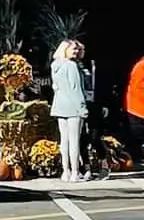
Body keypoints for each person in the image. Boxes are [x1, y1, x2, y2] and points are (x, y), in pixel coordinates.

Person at [50, 40, 88, 182]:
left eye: (77, 49)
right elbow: (76, 88)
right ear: (65, 49)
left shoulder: (55, 65)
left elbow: (55, 86)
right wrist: (82, 107)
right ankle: (75, 172)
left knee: (64, 141)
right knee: (74, 141)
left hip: (60, 105)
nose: (76, 52)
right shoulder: (71, 66)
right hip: (73, 107)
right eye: (73, 49)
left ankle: (65, 171)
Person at [76, 43, 110, 181]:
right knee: (81, 138)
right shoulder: (74, 66)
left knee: (95, 136)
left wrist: (105, 104)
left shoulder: (96, 66)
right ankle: (87, 168)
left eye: (81, 50)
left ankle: (104, 165)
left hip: (95, 103)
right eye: (77, 50)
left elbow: (104, 85)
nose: (80, 52)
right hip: (80, 103)